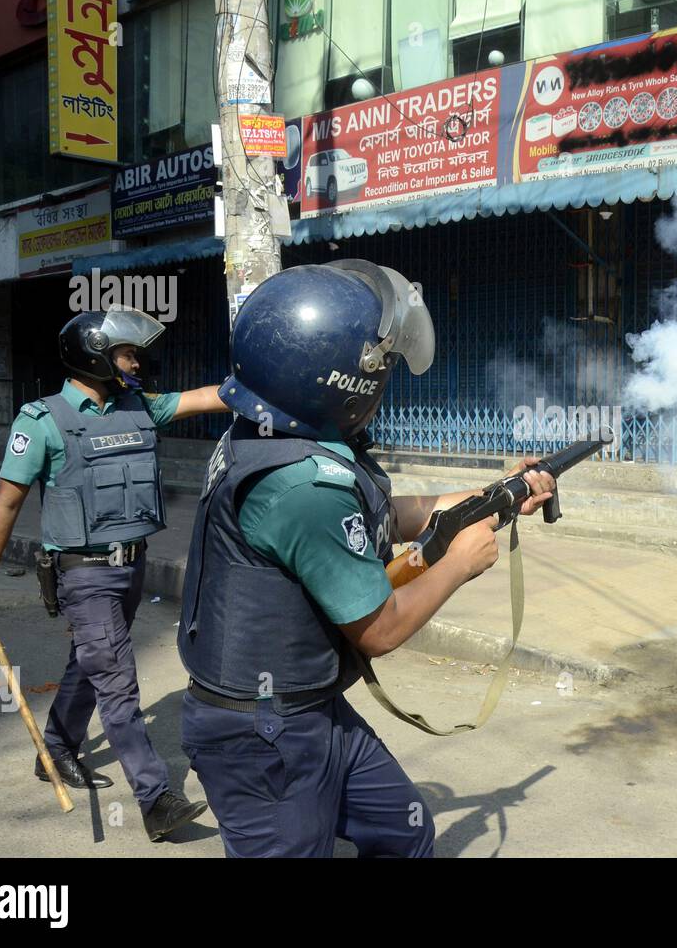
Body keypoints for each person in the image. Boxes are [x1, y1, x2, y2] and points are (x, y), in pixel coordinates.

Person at [176, 260, 555, 858]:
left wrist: (495, 494)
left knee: (403, 832)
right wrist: (457, 563)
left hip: (309, 708)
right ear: (344, 383)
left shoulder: (269, 434)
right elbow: (379, 629)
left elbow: (388, 511)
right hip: (262, 734)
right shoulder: (303, 486)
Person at [0, 306, 230, 842]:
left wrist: (267, 380)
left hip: (133, 568)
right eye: (126, 353)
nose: (135, 362)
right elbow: (5, 507)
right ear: (94, 357)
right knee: (117, 682)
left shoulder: (140, 407)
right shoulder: (42, 421)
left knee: (92, 660)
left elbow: (209, 396)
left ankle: (56, 747)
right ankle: (156, 799)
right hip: (82, 574)